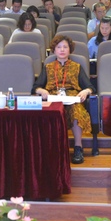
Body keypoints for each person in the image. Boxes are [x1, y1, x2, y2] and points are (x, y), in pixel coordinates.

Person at [32, 35, 95, 164]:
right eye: (59, 47)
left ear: (69, 49)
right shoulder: (48, 67)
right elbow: (35, 87)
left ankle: (78, 148)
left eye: (65, 47)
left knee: (76, 111)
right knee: (49, 111)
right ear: (54, 50)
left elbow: (90, 87)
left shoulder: (77, 67)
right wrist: (41, 91)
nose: (62, 50)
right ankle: (52, 149)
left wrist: (85, 91)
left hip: (72, 97)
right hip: (52, 97)